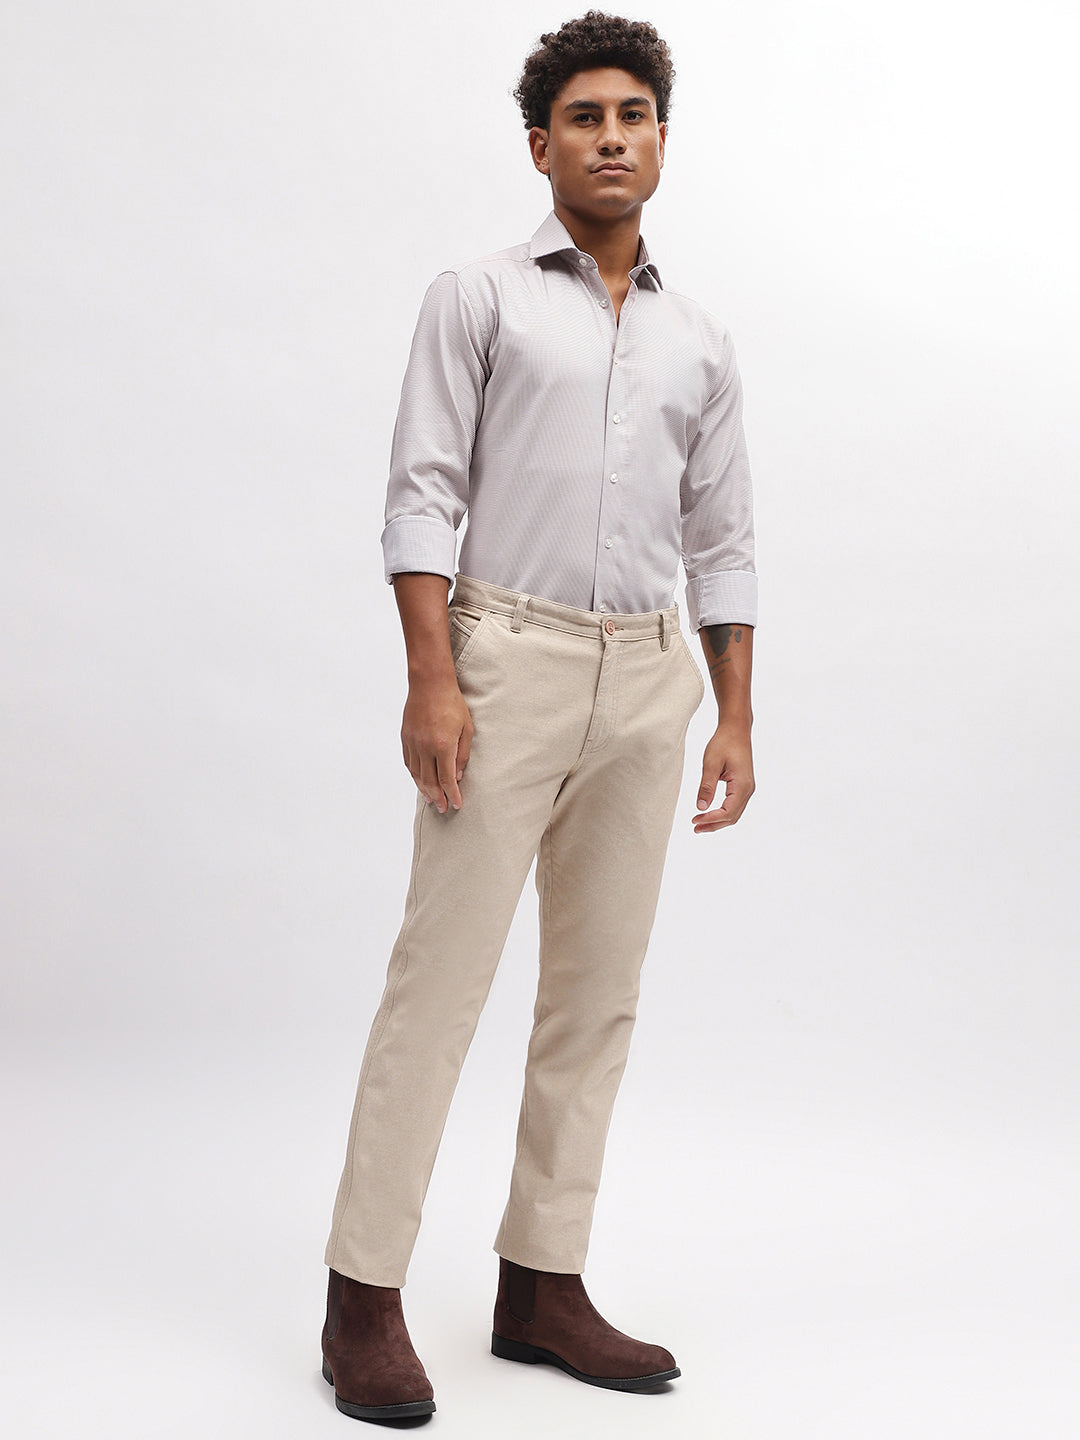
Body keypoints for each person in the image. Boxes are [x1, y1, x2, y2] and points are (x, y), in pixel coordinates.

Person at [320, 9, 758, 1421]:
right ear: (540, 145)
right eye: (584, 117)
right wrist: (431, 677)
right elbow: (422, 493)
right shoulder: (480, 297)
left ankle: (541, 1284)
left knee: (595, 996)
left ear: (662, 140)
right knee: (438, 985)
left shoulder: (701, 341)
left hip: (649, 678)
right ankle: (361, 1298)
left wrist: (733, 715)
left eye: (633, 115)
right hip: (504, 659)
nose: (610, 138)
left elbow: (723, 538)